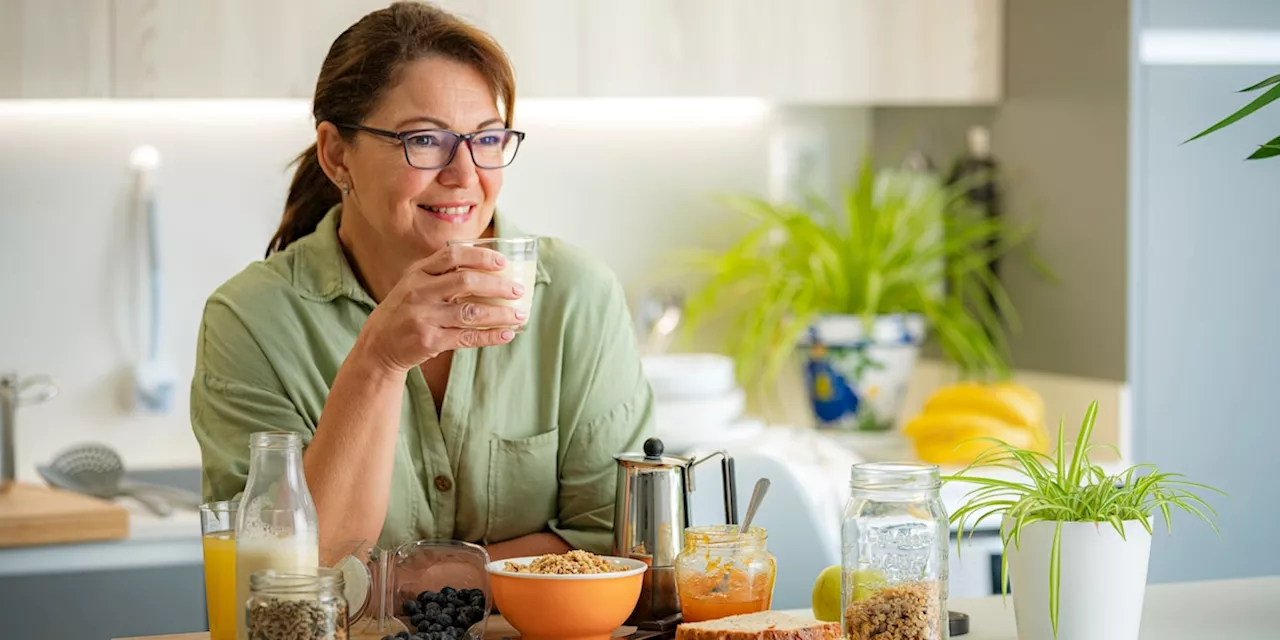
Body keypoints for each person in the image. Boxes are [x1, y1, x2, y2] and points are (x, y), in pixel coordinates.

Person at [191, 1, 653, 560]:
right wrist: (378, 361)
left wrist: (417, 581)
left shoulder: (578, 298)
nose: (464, 176)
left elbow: (617, 542)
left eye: (486, 139)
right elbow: (282, 576)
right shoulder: (251, 321)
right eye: (425, 140)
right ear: (337, 155)